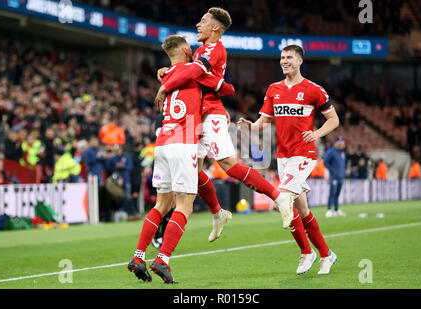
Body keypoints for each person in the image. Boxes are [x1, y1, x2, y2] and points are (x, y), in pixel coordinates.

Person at [155, 7, 294, 241]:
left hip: (211, 113)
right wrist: (169, 71)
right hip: (196, 115)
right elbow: (190, 74)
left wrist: (166, 84)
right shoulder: (200, 49)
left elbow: (195, 73)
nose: (198, 25)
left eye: (203, 21)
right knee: (194, 171)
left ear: (215, 27)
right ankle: (218, 213)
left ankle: (278, 197)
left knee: (228, 163)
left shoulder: (214, 49)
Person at [128, 35, 235, 284]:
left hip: (162, 143)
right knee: (184, 206)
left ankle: (138, 256)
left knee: (161, 205)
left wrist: (163, 80)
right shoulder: (192, 71)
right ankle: (163, 258)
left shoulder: (168, 75)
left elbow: (172, 79)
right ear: (187, 50)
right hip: (183, 142)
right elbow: (227, 89)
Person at [238, 44, 340, 275]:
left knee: (282, 200)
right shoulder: (274, 89)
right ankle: (325, 254)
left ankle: (306, 253)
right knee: (301, 209)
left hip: (304, 153)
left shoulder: (314, 90)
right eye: (282, 57)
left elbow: (333, 120)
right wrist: (250, 127)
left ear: (299, 61)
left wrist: (316, 134)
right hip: (283, 156)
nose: (284, 61)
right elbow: (263, 122)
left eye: (289, 57)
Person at [324, 136, 347, 218]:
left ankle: (336, 210)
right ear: (336, 143)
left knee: (337, 193)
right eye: (340, 143)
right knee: (332, 193)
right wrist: (332, 171)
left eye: (342, 143)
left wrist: (344, 172)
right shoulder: (331, 152)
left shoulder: (342, 152)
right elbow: (325, 163)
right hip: (334, 177)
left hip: (341, 176)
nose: (342, 144)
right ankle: (329, 210)